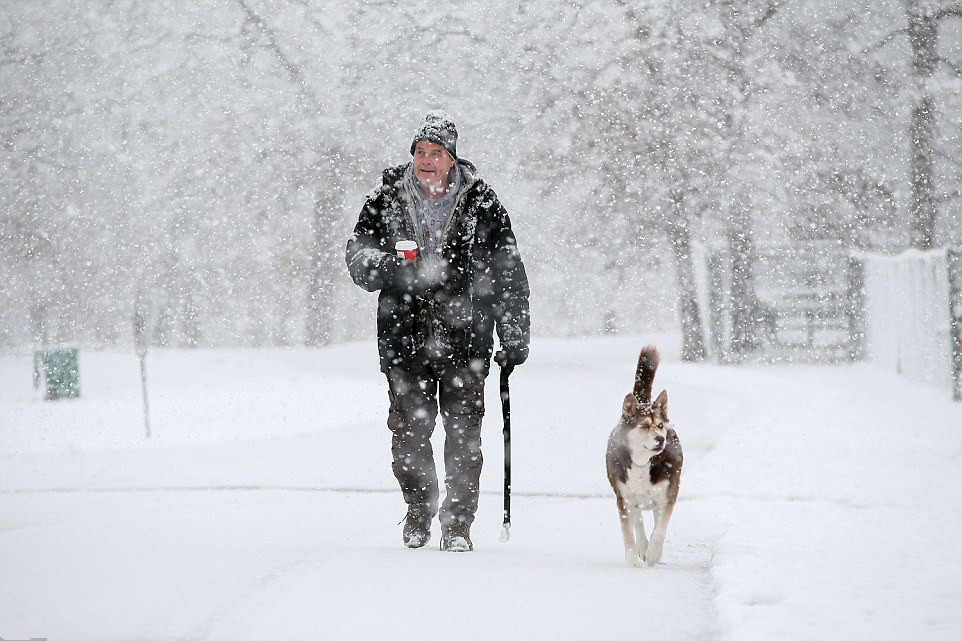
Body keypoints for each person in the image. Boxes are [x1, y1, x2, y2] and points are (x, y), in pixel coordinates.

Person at [345, 110, 530, 552]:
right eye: (420, 152)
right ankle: (419, 507)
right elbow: (357, 255)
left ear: (452, 158)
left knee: (464, 437)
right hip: (404, 337)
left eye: (435, 153)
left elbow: (508, 271)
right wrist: (393, 267)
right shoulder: (386, 198)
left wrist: (514, 333)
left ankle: (458, 524)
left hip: (466, 338)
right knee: (409, 434)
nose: (425, 160)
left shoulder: (482, 203)